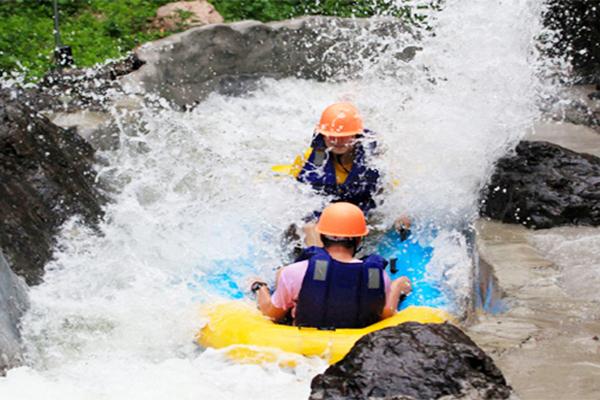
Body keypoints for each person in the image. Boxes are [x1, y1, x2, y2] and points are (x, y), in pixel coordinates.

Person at [250, 202, 412, 329]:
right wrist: (397, 286)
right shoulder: (376, 275)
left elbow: (271, 314)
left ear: (321, 235)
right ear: (359, 239)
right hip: (355, 340)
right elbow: (385, 313)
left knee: (281, 275)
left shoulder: (296, 272)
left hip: (304, 341)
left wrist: (259, 287)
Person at [285, 102, 410, 246]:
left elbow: (392, 187)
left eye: (345, 136)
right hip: (324, 214)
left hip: (362, 211)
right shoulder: (309, 159)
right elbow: (297, 197)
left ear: (356, 135)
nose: (338, 141)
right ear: (323, 135)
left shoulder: (373, 158)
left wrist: (401, 213)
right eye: (331, 136)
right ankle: (321, 262)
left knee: (397, 219)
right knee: (306, 226)